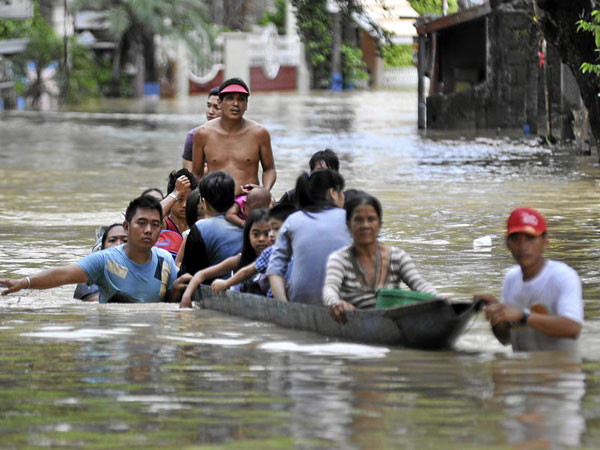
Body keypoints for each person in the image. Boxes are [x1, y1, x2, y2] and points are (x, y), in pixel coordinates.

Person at [0, 196, 191, 303]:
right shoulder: (105, 260)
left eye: (155, 225)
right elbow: (62, 275)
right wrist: (24, 282)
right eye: (141, 223)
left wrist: (177, 288)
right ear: (126, 226)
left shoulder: (164, 260)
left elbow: (170, 301)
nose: (148, 230)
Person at [474, 207, 584, 352]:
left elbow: (573, 328)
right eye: (515, 239)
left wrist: (522, 316)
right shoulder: (511, 278)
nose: (523, 246)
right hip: (522, 371)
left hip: (560, 372)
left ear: (545, 241)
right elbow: (505, 339)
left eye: (530, 238)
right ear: (508, 244)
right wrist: (496, 312)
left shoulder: (563, 276)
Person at [323, 192, 440, 323]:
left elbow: (419, 284)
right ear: (348, 225)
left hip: (390, 318)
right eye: (358, 220)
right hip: (355, 317)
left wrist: (440, 300)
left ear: (379, 224)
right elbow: (330, 288)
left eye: (371, 219)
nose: (365, 225)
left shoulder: (397, 256)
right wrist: (335, 303)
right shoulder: (339, 259)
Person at [267, 169, 351, 306]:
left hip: (300, 299)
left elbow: (274, 270)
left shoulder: (293, 220)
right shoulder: (349, 218)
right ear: (333, 193)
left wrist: (285, 306)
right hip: (342, 301)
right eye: (342, 192)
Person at [191, 78, 276, 197]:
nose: (236, 104)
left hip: (248, 201)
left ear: (246, 105)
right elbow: (196, 174)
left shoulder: (259, 133)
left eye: (241, 99)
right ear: (220, 103)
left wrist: (264, 192)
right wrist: (203, 200)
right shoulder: (202, 133)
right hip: (215, 201)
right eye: (230, 98)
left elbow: (269, 170)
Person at [179, 209, 272, 307]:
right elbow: (201, 275)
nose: (261, 239)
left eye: (266, 234)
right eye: (256, 234)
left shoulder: (278, 261)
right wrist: (186, 296)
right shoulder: (239, 260)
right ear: (247, 236)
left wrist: (226, 283)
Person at [212, 202, 296, 296]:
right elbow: (246, 272)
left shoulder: (298, 251)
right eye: (256, 234)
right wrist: (226, 283)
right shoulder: (271, 252)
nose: (271, 235)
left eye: (275, 229)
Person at [179, 171, 243, 277]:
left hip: (211, 290)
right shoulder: (246, 222)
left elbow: (190, 272)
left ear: (203, 202)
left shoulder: (201, 228)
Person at [73, 223, 128, 302]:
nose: (119, 244)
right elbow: (95, 300)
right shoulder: (93, 274)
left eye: (125, 240)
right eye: (112, 240)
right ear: (102, 249)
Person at [182, 87, 221, 171]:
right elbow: (188, 175)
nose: (210, 111)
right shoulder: (193, 136)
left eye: (216, 107)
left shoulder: (236, 136)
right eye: (208, 106)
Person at [162, 168, 198, 236]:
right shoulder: (163, 224)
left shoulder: (198, 225)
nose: (184, 205)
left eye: (189, 199)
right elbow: (152, 216)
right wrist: (176, 193)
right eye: (179, 199)